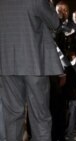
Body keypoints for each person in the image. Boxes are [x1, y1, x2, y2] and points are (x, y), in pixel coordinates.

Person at [0, 0, 63, 140]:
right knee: (40, 116)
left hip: (6, 64)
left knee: (12, 116)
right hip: (34, 64)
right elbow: (55, 23)